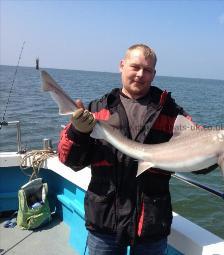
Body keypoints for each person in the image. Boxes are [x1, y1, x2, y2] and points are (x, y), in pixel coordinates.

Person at [58, 44, 213, 255]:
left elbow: (198, 160)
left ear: (154, 74)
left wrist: (216, 152)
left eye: (147, 70)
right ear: (122, 66)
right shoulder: (98, 110)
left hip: (150, 223)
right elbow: (70, 160)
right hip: (105, 222)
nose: (141, 74)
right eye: (135, 67)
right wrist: (78, 132)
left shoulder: (170, 113)